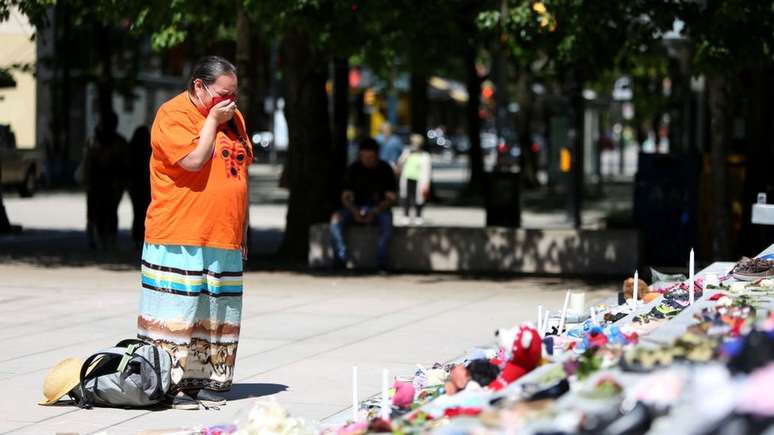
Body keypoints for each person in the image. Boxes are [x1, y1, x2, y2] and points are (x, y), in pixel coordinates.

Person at [137, 56, 252, 410]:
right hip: (179, 234)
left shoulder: (235, 118)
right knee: (178, 312)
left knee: (218, 313)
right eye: (222, 94)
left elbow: (240, 173)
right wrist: (214, 122)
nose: (229, 101)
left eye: (233, 94)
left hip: (224, 235)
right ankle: (166, 384)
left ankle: (211, 382)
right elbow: (193, 160)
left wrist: (243, 229)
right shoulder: (172, 115)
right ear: (199, 86)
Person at [330, 137, 397, 271]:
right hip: (355, 208)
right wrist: (354, 211)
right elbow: (345, 196)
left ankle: (381, 262)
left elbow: (391, 197)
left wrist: (376, 210)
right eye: (364, 157)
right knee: (335, 220)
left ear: (377, 155)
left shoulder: (385, 169)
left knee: (387, 224)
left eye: (371, 157)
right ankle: (341, 259)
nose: (367, 160)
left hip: (379, 208)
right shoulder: (353, 169)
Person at [83, 111, 128, 250]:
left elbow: (125, 164)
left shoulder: (117, 142)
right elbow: (88, 163)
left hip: (109, 183)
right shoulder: (95, 141)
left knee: (108, 212)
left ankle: (105, 239)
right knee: (97, 212)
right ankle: (99, 239)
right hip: (99, 183)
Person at [397, 134, 432, 225]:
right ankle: (406, 216)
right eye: (413, 143)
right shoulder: (407, 152)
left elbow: (427, 171)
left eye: (417, 143)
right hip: (408, 178)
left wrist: (426, 184)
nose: (415, 145)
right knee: (406, 198)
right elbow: (400, 163)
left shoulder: (425, 156)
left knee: (419, 199)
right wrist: (407, 155)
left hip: (420, 180)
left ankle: (418, 216)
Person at [128, 126, 152, 249]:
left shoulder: (131, 150)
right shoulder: (150, 150)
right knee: (144, 212)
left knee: (137, 212)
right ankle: (142, 238)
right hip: (147, 186)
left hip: (135, 186)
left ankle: (137, 239)